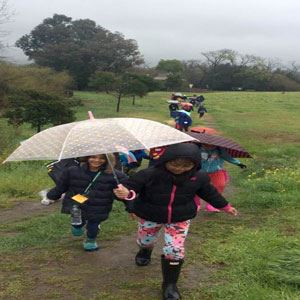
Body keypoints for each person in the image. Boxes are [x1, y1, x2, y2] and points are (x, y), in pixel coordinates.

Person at [113, 143, 238, 300]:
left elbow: (210, 194)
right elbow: (131, 188)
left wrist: (225, 206)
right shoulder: (149, 174)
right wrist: (125, 192)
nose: (179, 169)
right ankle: (145, 250)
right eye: (174, 164)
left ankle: (170, 284)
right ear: (166, 160)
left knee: (175, 250)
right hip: (150, 214)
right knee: (145, 240)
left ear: (195, 164)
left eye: (186, 166)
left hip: (180, 217)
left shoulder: (199, 177)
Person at [46, 154, 131, 251]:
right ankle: (77, 226)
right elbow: (62, 186)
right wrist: (52, 195)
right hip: (76, 204)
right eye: (93, 157)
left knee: (93, 225)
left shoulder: (115, 175)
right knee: (77, 223)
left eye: (102, 158)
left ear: (108, 160)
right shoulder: (72, 171)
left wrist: (128, 204)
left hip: (99, 206)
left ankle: (91, 240)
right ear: (87, 157)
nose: (97, 160)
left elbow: (125, 193)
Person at [199, 144, 246, 212]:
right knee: (197, 187)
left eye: (211, 145)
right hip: (200, 171)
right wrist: (204, 158)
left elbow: (228, 157)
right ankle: (196, 204)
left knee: (220, 185)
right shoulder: (198, 149)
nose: (209, 146)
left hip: (216, 171)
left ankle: (211, 205)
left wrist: (238, 163)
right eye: (206, 145)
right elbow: (193, 159)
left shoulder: (219, 150)